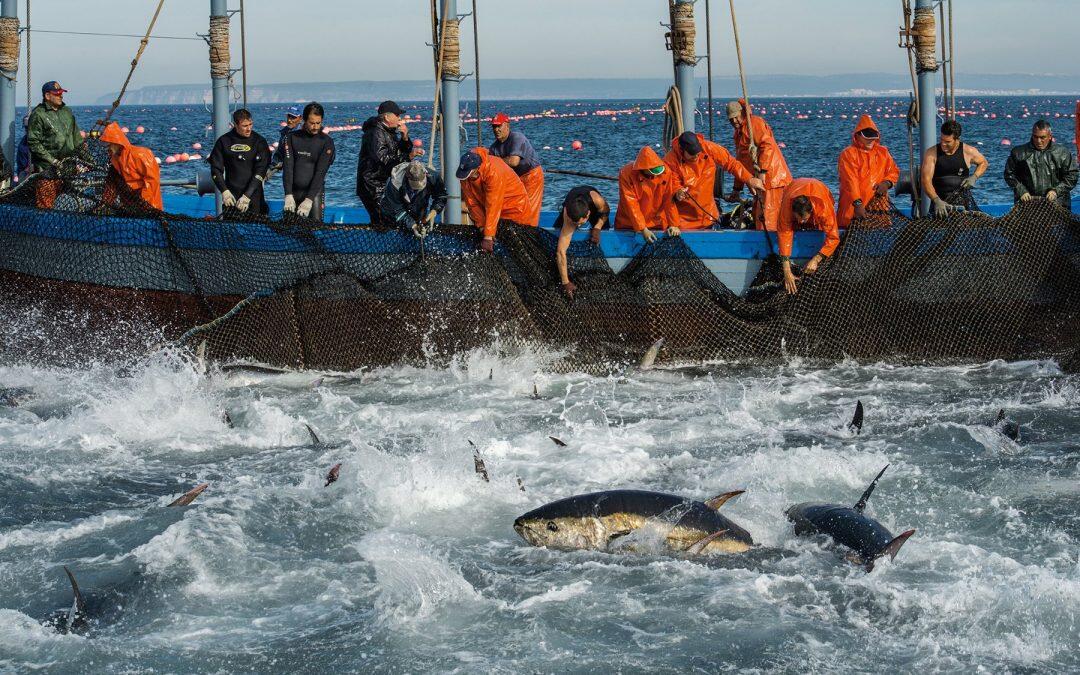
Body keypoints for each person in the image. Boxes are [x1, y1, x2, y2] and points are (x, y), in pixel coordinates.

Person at [664, 130, 764, 229]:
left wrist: (749, 178)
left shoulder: (708, 147)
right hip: (684, 222)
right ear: (682, 150)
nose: (696, 156)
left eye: (698, 153)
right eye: (692, 154)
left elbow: (731, 163)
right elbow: (671, 187)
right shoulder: (670, 161)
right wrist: (678, 193)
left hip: (709, 216)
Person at [725, 99, 792, 231]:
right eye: (731, 119)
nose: (734, 122)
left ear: (742, 113)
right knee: (759, 217)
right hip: (760, 183)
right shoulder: (738, 134)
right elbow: (741, 161)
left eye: (736, 118)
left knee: (768, 220)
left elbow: (767, 146)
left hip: (773, 180)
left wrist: (762, 173)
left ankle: (771, 249)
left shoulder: (754, 123)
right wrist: (736, 189)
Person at [356, 100, 420, 225]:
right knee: (383, 219)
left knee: (390, 217)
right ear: (387, 117)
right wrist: (408, 157)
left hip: (384, 182)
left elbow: (400, 151)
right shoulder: (375, 132)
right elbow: (382, 159)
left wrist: (405, 137)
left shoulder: (389, 131)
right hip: (372, 185)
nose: (400, 119)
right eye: (397, 115)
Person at [27, 81, 88, 208]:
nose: (61, 96)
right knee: (45, 205)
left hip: (68, 168)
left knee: (70, 203)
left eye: (61, 93)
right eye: (57, 94)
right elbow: (33, 142)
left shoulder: (67, 112)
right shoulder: (38, 114)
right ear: (47, 96)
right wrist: (53, 161)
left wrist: (88, 160)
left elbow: (77, 139)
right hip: (47, 170)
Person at [456, 147, 531, 252]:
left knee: (516, 248)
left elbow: (493, 204)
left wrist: (488, 236)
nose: (466, 177)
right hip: (492, 214)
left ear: (477, 168)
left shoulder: (494, 171)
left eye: (469, 174)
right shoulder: (465, 175)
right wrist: (482, 227)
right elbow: (472, 203)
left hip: (515, 209)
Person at [777, 178, 839, 295]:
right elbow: (784, 233)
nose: (800, 222)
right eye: (797, 218)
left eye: (804, 219)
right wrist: (786, 270)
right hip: (793, 188)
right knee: (790, 225)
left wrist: (816, 259)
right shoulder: (787, 206)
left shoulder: (824, 209)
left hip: (821, 191)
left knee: (821, 228)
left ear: (811, 212)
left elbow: (833, 238)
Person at [837, 115, 900, 228]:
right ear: (858, 136)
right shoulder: (849, 153)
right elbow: (850, 181)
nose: (871, 141)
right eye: (867, 138)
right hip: (853, 211)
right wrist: (857, 204)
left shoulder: (883, 152)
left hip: (879, 209)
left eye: (873, 138)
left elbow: (893, 171)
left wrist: (887, 183)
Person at [614, 146, 685, 242]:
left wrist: (674, 224)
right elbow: (631, 204)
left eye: (657, 171)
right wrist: (643, 229)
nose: (656, 175)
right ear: (642, 168)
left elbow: (668, 199)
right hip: (628, 223)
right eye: (652, 171)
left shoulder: (666, 172)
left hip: (656, 222)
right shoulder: (626, 173)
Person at [207, 108, 271, 215]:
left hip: (254, 198)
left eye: (250, 124)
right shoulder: (224, 141)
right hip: (231, 198)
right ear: (235, 125)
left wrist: (247, 195)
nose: (249, 129)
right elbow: (215, 169)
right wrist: (224, 191)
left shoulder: (259, 141)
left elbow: (261, 171)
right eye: (245, 126)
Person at [1003, 120, 1078, 210]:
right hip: (1027, 204)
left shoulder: (1062, 153)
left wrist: (1056, 191)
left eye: (1042, 137)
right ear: (1032, 135)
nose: (1039, 141)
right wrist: (1021, 190)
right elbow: (1009, 174)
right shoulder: (1018, 152)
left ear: (1050, 136)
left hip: (1058, 204)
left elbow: (1072, 175)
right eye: (1035, 137)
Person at [920, 119, 988, 215]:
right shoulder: (931, 153)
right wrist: (936, 200)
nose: (943, 144)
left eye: (947, 141)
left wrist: (974, 177)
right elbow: (925, 180)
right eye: (941, 140)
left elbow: (983, 163)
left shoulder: (968, 151)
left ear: (957, 139)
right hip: (940, 202)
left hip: (963, 203)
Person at [553, 186, 610, 299]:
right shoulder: (568, 216)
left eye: (580, 223)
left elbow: (606, 211)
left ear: (588, 214)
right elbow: (560, 252)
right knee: (559, 232)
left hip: (593, 205)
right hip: (573, 205)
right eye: (575, 224)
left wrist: (598, 227)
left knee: (604, 226)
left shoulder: (598, 201)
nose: (578, 226)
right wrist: (565, 282)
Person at [282, 102, 336, 220]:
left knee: (315, 228)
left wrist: (309, 199)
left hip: (314, 193)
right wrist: (288, 194)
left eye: (318, 123)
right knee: (288, 229)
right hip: (293, 192)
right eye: (312, 123)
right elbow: (288, 167)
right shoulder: (291, 138)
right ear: (304, 120)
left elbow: (320, 173)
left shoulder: (326, 142)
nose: (315, 127)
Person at [489, 112, 544, 226]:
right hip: (515, 179)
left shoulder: (517, 137)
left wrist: (497, 162)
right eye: (494, 127)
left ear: (507, 126)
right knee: (514, 207)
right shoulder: (494, 148)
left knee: (529, 209)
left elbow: (514, 161)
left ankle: (530, 233)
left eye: (499, 126)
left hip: (531, 176)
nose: (496, 130)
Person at [98, 122, 162, 210]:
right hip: (129, 205)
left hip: (148, 204)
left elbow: (152, 182)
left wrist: (144, 204)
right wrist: (104, 205)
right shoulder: (114, 160)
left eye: (109, 145)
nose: (107, 149)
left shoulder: (141, 154)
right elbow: (111, 185)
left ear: (117, 143)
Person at [381, 160, 448, 234]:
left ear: (425, 174)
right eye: (414, 186)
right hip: (392, 214)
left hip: (417, 210)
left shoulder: (433, 177)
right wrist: (412, 225)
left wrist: (434, 211)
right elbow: (396, 210)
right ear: (407, 177)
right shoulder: (395, 184)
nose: (418, 189)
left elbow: (441, 196)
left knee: (419, 228)